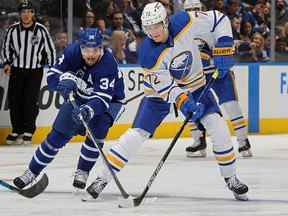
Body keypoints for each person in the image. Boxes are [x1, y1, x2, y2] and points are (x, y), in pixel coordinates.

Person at [83, 2, 249, 201]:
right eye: (148, 28)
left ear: (166, 21)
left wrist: (224, 45)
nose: (153, 32)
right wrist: (185, 103)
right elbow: (167, 88)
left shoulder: (185, 21)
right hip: (158, 94)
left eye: (156, 26)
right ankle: (102, 178)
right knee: (136, 134)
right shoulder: (148, 54)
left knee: (218, 126)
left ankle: (231, 178)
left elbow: (218, 19)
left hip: (195, 84)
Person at [12, 27, 125, 191]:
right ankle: (31, 172)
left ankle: (83, 171)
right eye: (86, 49)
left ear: (102, 47)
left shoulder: (108, 64)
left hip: (110, 101)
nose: (91, 55)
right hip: (80, 96)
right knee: (57, 136)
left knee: (97, 131)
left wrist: (88, 111)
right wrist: (64, 80)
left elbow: (102, 99)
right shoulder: (71, 53)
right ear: (80, 47)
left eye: (95, 50)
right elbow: (52, 76)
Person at [183, 0, 253, 158]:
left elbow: (226, 41)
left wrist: (239, 45)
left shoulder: (210, 22)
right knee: (191, 107)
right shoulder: (182, 28)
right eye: (190, 10)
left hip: (219, 72)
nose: (194, 12)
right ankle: (198, 140)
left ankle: (243, 141)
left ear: (202, 9)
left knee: (231, 105)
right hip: (197, 76)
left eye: (196, 9)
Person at [2, 0, 56, 145]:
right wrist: (7, 62)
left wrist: (53, 68)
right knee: (15, 100)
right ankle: (16, 130)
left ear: (33, 13)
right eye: (23, 12)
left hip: (34, 70)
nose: (26, 15)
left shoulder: (41, 30)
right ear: (19, 14)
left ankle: (28, 131)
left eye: (29, 12)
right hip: (17, 69)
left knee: (30, 101)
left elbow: (50, 48)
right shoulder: (12, 29)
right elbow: (6, 47)